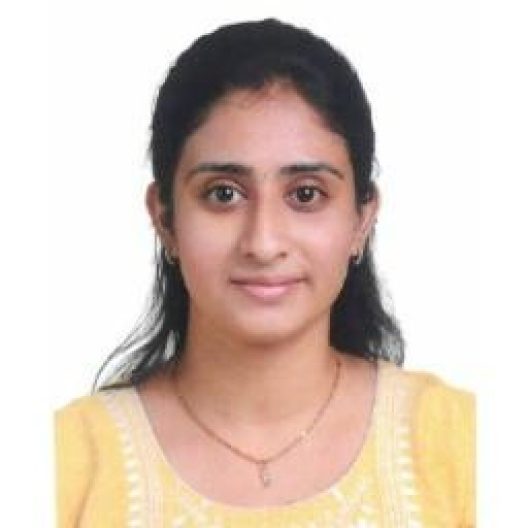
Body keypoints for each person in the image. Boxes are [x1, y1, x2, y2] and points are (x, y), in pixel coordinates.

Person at [55, 18, 475, 527]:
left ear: (362, 219)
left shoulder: (461, 445)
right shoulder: (66, 461)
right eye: (223, 194)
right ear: (164, 217)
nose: (263, 242)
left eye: (306, 195)